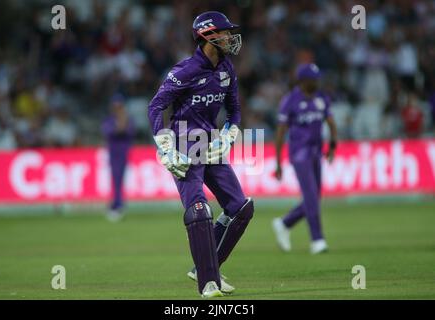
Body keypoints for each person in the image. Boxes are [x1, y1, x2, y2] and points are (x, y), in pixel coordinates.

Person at [147, 11, 254, 298]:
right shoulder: (184, 71)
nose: (230, 37)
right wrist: (165, 146)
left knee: (242, 209)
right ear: (208, 36)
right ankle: (208, 284)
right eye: (225, 32)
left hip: (210, 145)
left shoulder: (227, 68)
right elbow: (155, 107)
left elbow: (234, 110)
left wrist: (230, 134)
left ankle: (208, 268)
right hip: (184, 147)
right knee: (198, 210)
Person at [272, 63, 337, 254]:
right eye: (313, 79)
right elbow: (280, 133)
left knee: (314, 198)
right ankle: (317, 240)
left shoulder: (322, 98)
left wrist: (332, 146)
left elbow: (331, 123)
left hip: (317, 151)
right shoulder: (290, 100)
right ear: (303, 81)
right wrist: (278, 163)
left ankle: (285, 223)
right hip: (299, 154)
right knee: (310, 196)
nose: (317, 82)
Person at [101, 93, 136, 222]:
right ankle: (117, 204)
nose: (117, 108)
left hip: (123, 153)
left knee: (119, 179)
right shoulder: (110, 119)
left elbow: (130, 132)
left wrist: (122, 125)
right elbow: (108, 132)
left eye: (119, 106)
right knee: (115, 179)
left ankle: (118, 205)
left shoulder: (127, 119)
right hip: (113, 152)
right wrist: (120, 126)